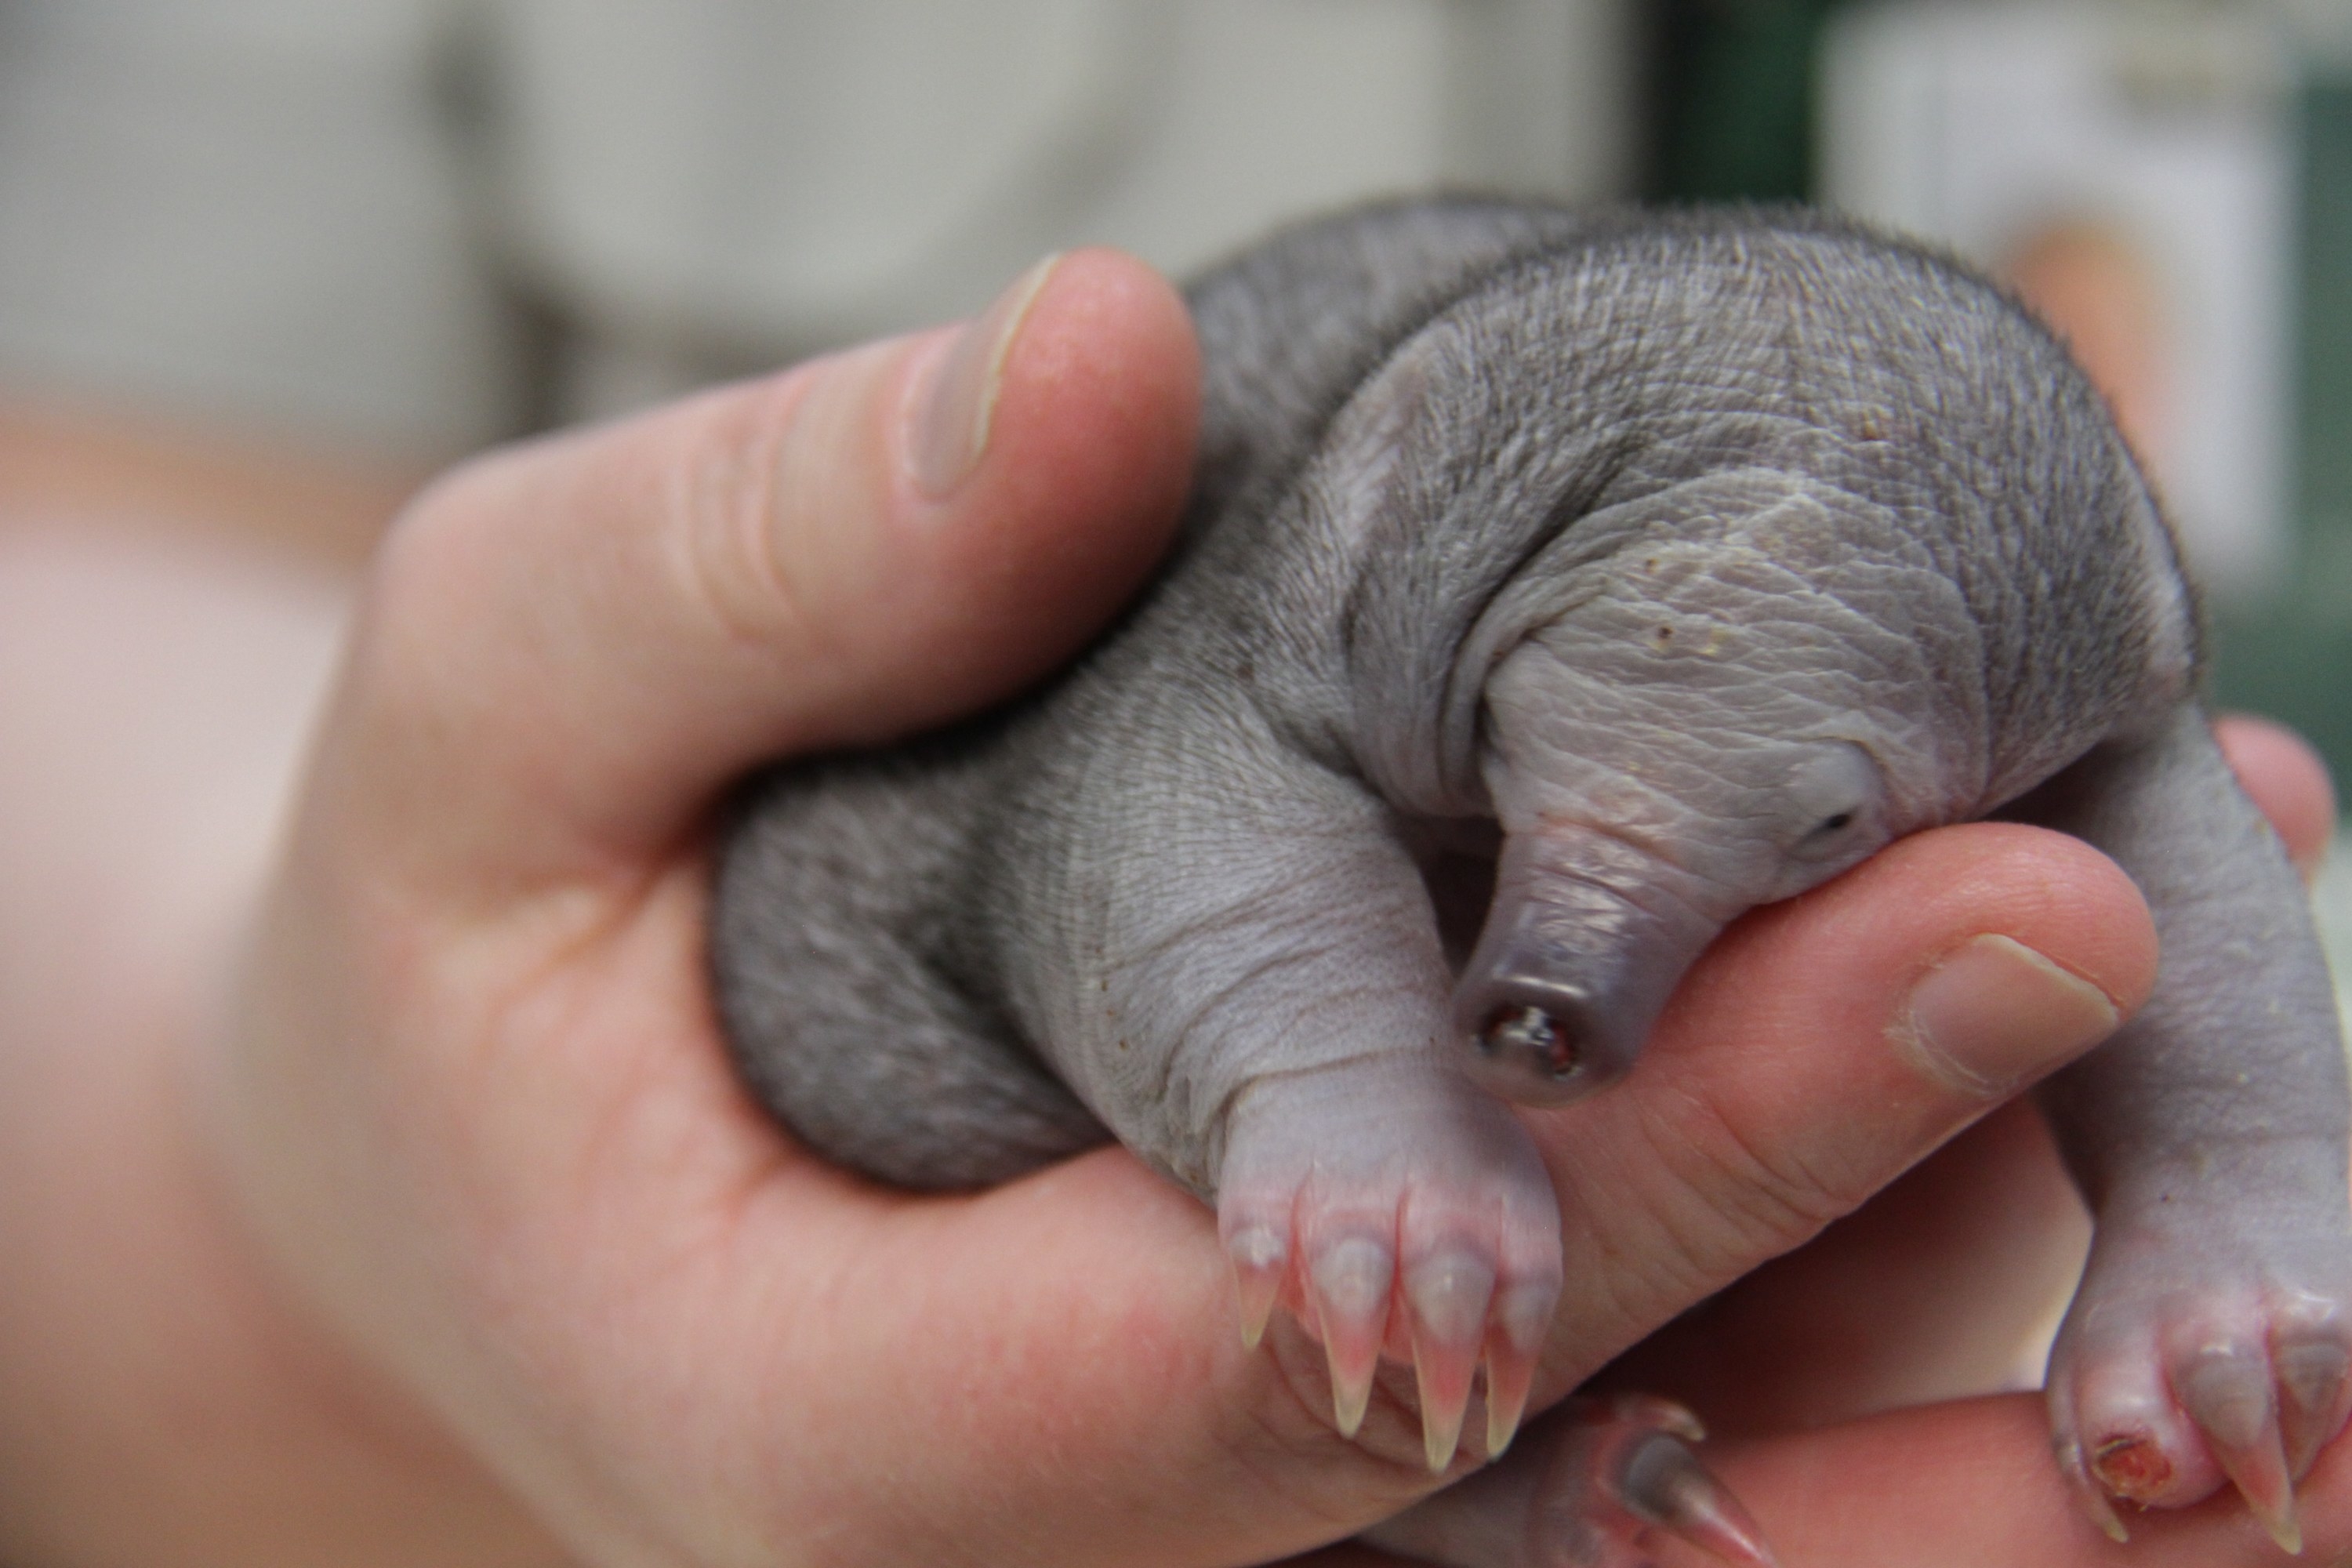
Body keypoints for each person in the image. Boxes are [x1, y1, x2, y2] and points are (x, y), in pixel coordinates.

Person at [2, 247, 2343, 1566]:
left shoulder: (2078, 665)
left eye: (1816, 824)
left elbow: (2169, 840)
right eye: (1542, 759)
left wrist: (2233, 1200)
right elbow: (82, 527)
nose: (1572, 965)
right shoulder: (1366, 552)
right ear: (1442, 602)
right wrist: (263, 1179)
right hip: (967, 1016)